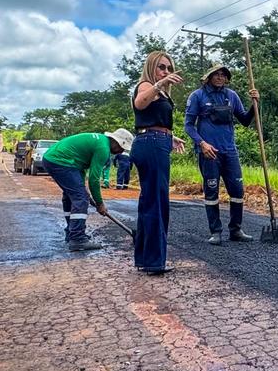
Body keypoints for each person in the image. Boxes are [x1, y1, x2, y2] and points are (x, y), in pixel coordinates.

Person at [184, 63, 259, 245]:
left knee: (237, 191)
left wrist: (255, 104)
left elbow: (245, 120)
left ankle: (236, 229)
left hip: (230, 151)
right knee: (211, 192)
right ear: (208, 77)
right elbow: (188, 125)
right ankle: (215, 231)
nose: (219, 77)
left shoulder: (231, 96)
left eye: (223, 75)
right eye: (216, 74)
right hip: (209, 153)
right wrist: (202, 144)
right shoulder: (197, 96)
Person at [131, 50, 187, 275]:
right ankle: (154, 261)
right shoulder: (146, 85)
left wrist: (170, 137)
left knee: (149, 200)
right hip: (151, 144)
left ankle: (146, 258)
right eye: (161, 67)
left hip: (155, 141)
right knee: (157, 201)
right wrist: (160, 83)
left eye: (169, 68)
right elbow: (140, 103)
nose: (166, 72)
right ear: (151, 67)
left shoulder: (160, 92)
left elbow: (151, 119)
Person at [42, 128, 134, 252]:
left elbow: (81, 168)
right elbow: (94, 179)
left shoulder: (100, 141)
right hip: (61, 161)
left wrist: (85, 192)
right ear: (117, 142)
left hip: (55, 159)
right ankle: (77, 239)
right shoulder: (103, 148)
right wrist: (99, 203)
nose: (121, 151)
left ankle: (72, 233)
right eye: (122, 148)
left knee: (72, 196)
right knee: (80, 198)